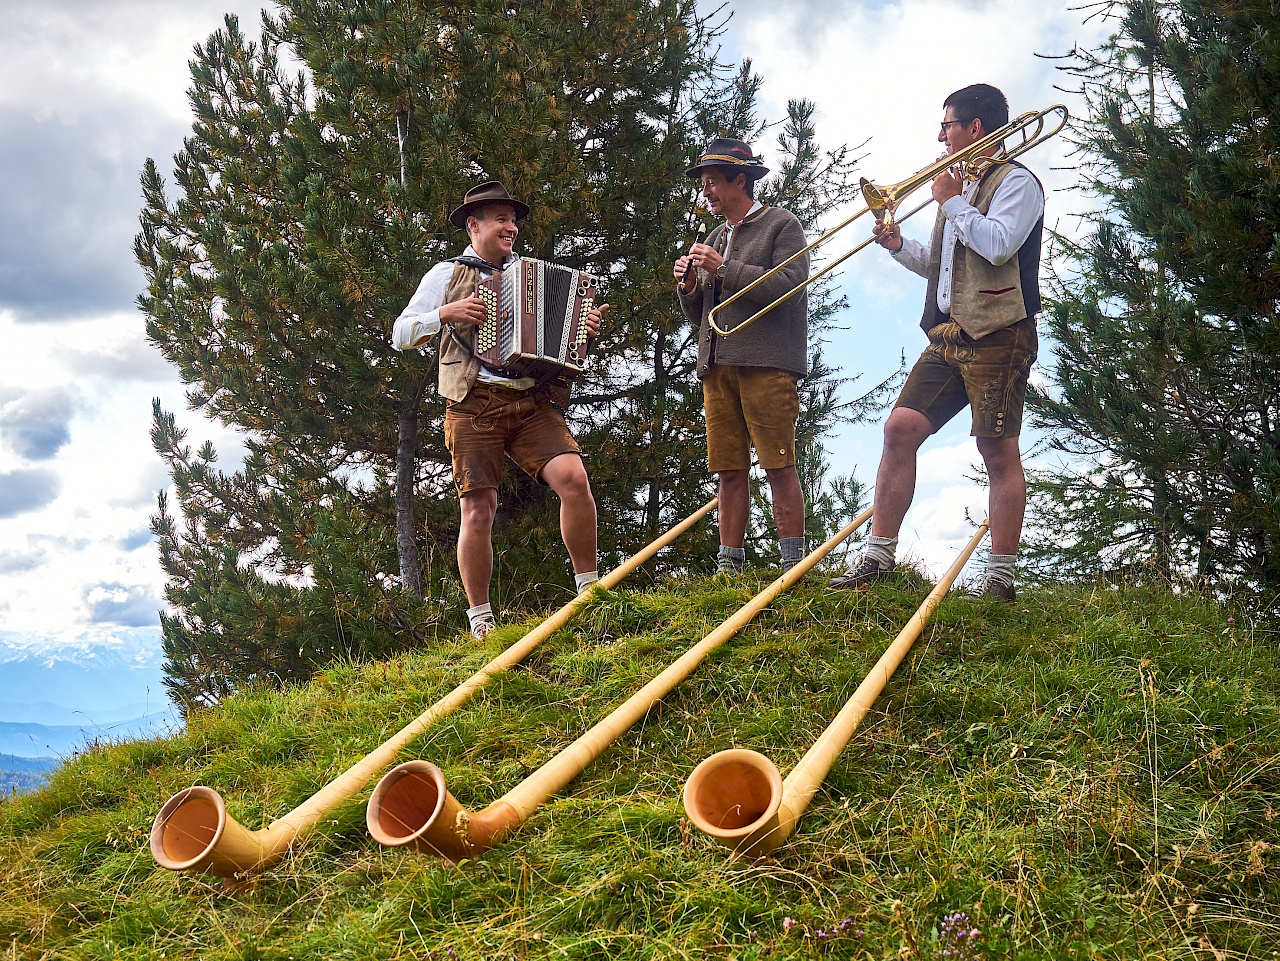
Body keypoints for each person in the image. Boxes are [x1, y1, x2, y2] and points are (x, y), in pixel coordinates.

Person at [828, 84, 1043, 602]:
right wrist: (900, 246)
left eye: (946, 126)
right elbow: (945, 267)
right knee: (899, 428)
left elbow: (995, 246)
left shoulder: (1019, 183)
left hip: (1000, 332)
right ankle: (878, 557)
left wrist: (952, 202)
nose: (939, 137)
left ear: (976, 129)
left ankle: (1000, 579)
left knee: (996, 450)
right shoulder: (957, 189)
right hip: (949, 332)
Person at [392, 181, 609, 637]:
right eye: (500, 220)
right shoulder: (444, 275)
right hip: (473, 404)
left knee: (573, 478)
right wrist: (445, 315)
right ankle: (481, 620)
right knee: (479, 508)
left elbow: (565, 346)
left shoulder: (530, 274)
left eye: (513, 220)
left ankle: (590, 591)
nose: (510, 227)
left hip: (529, 400)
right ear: (474, 226)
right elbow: (401, 333)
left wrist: (584, 327)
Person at [674, 138, 810, 575]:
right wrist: (689, 285)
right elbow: (700, 313)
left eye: (712, 182)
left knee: (778, 462)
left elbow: (788, 286)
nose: (706, 191)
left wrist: (722, 268)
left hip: (767, 365)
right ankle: (729, 569)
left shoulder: (781, 224)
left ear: (741, 180)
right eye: (703, 183)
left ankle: (794, 566)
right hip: (717, 366)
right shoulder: (716, 235)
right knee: (728, 469)